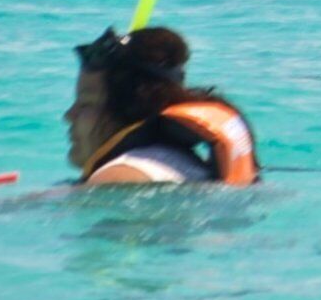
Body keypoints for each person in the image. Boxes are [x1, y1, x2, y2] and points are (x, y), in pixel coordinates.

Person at [65, 24, 263, 186]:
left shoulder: (119, 177)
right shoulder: (183, 164)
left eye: (86, 104)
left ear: (128, 109)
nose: (68, 116)